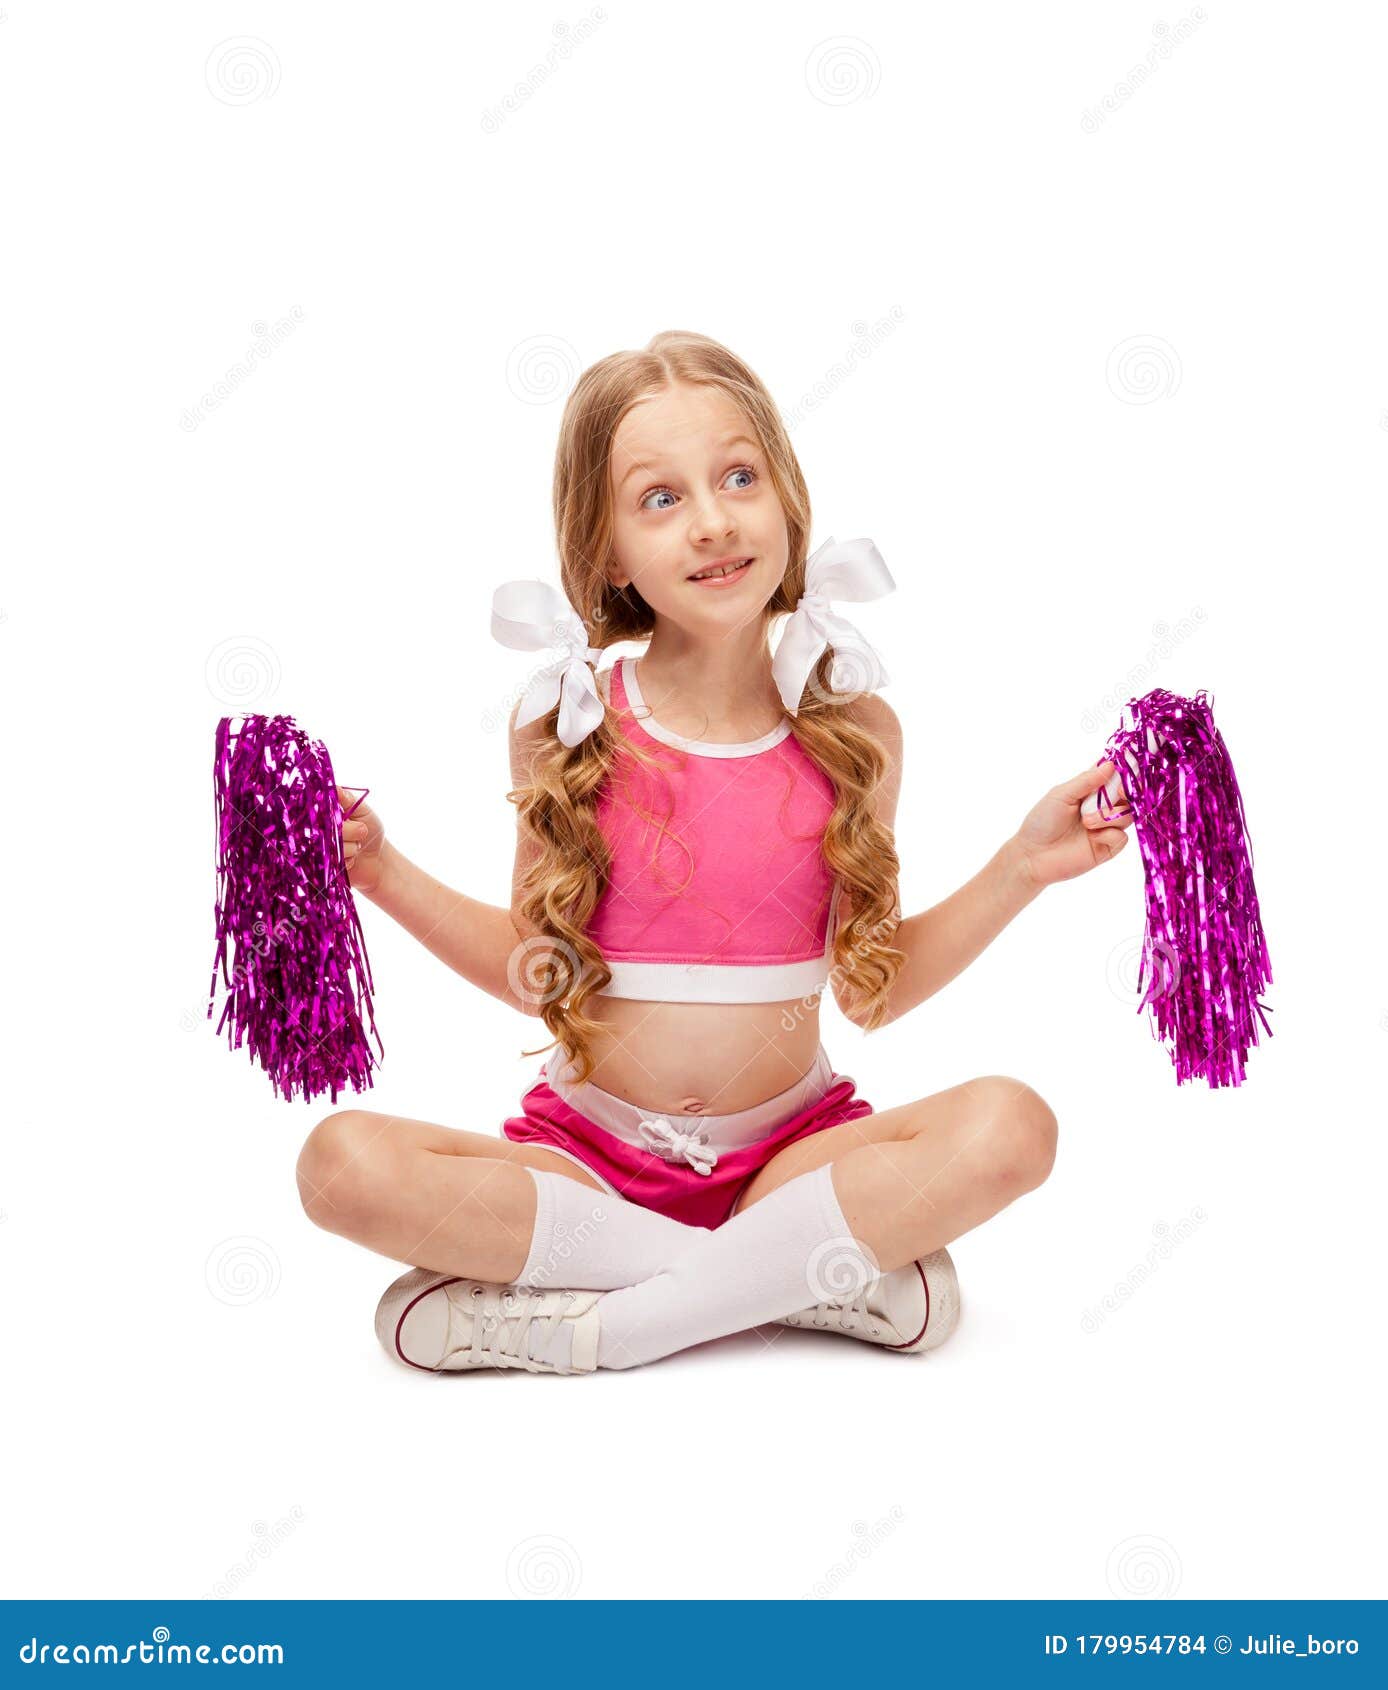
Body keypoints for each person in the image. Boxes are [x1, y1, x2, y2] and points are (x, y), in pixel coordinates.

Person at [295, 330, 1134, 1375]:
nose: (711, 521)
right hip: (588, 1166)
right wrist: (378, 872)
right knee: (339, 1167)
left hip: (793, 1158)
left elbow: (870, 991)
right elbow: (532, 968)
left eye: (738, 476)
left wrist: (1020, 865)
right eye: (659, 498)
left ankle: (605, 1325)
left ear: (783, 496)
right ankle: (791, 1279)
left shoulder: (855, 729)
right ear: (603, 552)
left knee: (1013, 1128)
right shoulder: (568, 721)